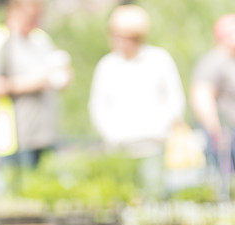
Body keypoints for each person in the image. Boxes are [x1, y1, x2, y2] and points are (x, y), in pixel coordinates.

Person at [89, 5, 185, 194]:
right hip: (120, 148)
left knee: (153, 198)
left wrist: (161, 128)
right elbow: (98, 106)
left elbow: (175, 100)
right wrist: (112, 134)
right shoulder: (107, 65)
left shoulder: (159, 59)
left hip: (153, 146)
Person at [0, 0, 71, 169]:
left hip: (45, 136)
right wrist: (25, 84)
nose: (37, 18)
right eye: (32, 14)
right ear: (15, 10)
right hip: (12, 140)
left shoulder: (40, 39)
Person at [192, 13, 235, 198]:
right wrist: (215, 128)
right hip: (226, 134)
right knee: (224, 187)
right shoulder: (214, 61)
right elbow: (202, 95)